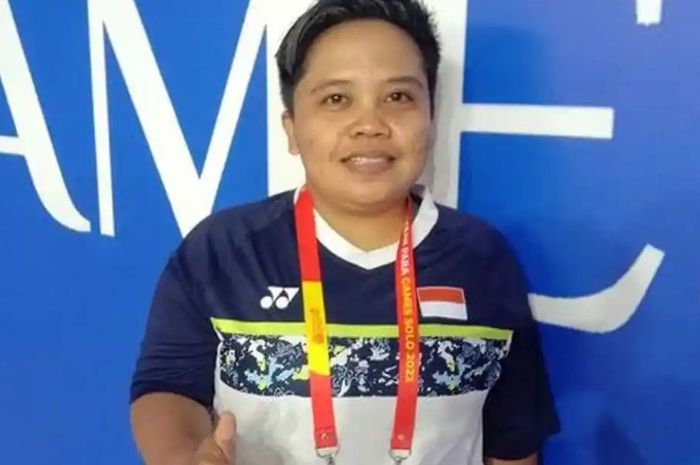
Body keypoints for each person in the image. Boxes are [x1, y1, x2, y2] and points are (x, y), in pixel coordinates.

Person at [129, 1, 560, 464]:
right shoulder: (223, 250)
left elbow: (512, 440)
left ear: (431, 117)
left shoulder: (483, 258)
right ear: (292, 129)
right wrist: (186, 456)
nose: (369, 125)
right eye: (337, 99)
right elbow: (167, 387)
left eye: (399, 97)